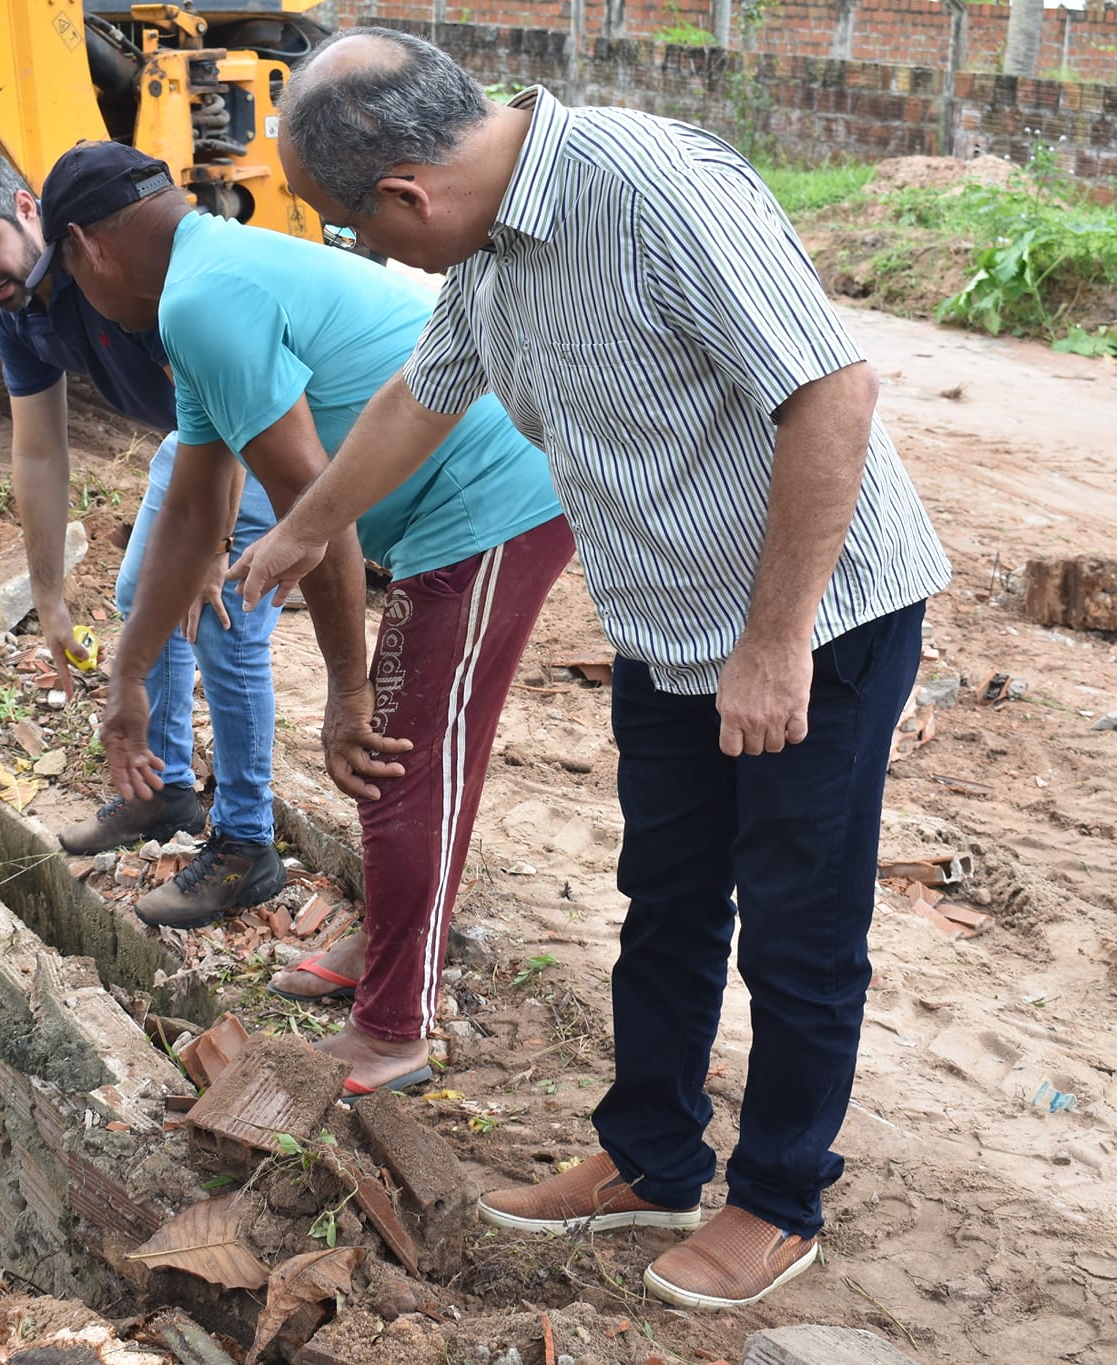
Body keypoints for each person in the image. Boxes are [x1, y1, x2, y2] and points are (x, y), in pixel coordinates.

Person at [235, 29, 953, 1309]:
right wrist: (301, 528)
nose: (364, 254)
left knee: (796, 931)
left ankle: (777, 1200)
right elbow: (420, 391)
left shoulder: (645, 187)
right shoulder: (491, 240)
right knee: (665, 906)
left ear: (405, 191)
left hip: (813, 624)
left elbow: (831, 394)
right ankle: (650, 1160)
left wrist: (775, 641)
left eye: (357, 229)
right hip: (666, 629)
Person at [35, 140, 572, 1095]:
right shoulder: (204, 283)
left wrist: (346, 686)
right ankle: (393, 935)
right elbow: (198, 511)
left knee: (391, 749)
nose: (75, 294)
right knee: (408, 743)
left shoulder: (205, 301)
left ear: (87, 246)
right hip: (445, 497)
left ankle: (393, 1030)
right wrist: (126, 675)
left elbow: (315, 518)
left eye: (65, 272)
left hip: (490, 494)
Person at [0, 143, 286, 926]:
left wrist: (209, 553)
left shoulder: (114, 266)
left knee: (223, 622)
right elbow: (39, 451)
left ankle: (247, 845)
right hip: (200, 437)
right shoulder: (15, 307)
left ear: (27, 209)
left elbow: (235, 407)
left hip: (270, 428)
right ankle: (164, 791)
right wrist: (47, 596)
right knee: (141, 592)